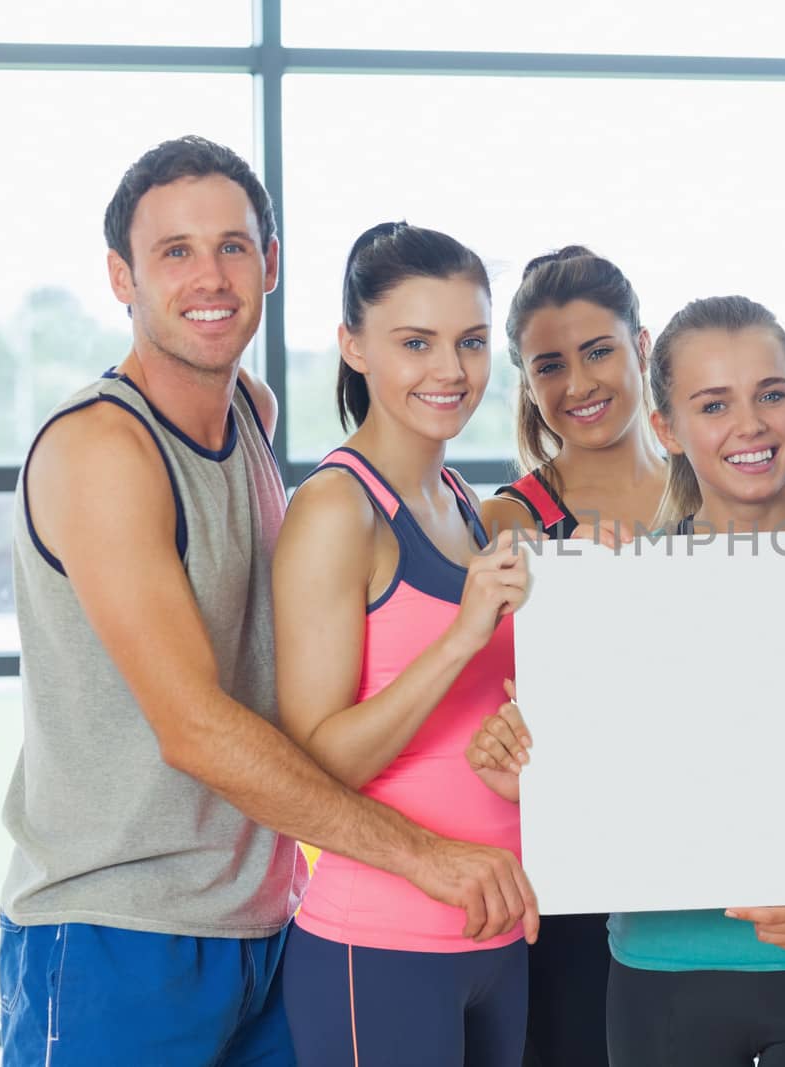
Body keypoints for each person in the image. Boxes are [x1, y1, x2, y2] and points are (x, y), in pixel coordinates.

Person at [0, 139, 533, 1066]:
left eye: (233, 247)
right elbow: (196, 729)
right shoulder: (102, 451)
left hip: (263, 920)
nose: (210, 276)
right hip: (116, 929)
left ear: (271, 263)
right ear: (122, 276)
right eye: (175, 251)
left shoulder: (252, 409)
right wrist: (421, 856)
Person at [469, 295, 785, 1066]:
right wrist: (528, 773)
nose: (751, 424)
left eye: (772, 394)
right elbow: (607, 780)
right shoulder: (620, 585)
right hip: (664, 972)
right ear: (668, 427)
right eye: (715, 404)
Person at [273, 222, 538, 1066]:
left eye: (469, 341)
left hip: (499, 934)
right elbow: (318, 761)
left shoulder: (464, 501)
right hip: (379, 944)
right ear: (353, 346)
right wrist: (464, 635)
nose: (450, 370)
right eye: (415, 342)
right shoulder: (335, 510)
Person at [480, 245, 668, 1066]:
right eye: (549, 365)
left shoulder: (721, 491)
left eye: (599, 351)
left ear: (643, 345)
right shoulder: (507, 522)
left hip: (705, 864)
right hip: (572, 880)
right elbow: (499, 704)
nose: (579, 384)